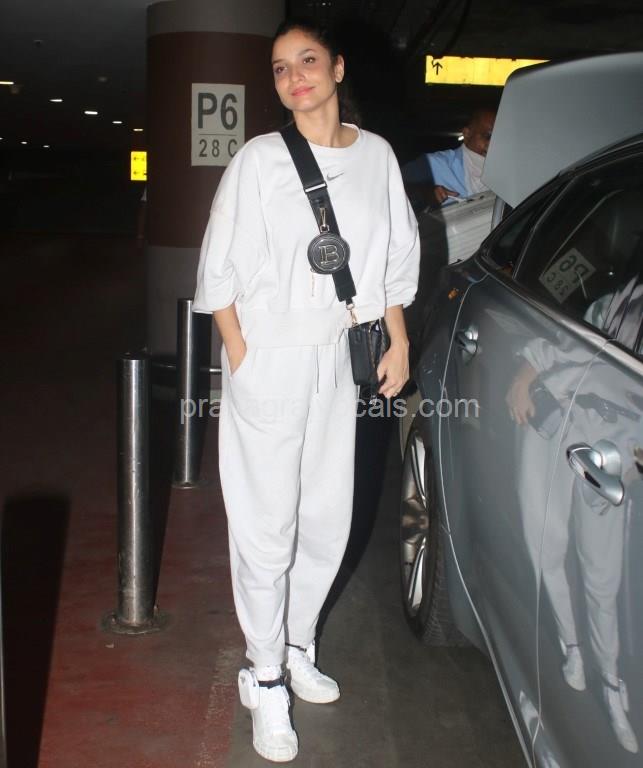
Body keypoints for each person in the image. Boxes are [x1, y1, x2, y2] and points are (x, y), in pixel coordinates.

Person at [192, 18, 419, 763]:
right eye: (280, 67)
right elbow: (217, 265)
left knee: (326, 517)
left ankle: (295, 646)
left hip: (338, 357)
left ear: (338, 68)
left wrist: (398, 339)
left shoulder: (377, 156)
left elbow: (391, 258)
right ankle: (263, 677)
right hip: (270, 355)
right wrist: (242, 354)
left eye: (307, 60)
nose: (294, 77)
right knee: (267, 524)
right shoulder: (260, 160)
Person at [402, 107, 496, 209]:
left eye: (499, 139)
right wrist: (425, 192)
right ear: (467, 134)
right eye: (488, 137)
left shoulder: (506, 170)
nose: (494, 144)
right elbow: (394, 183)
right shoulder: (436, 163)